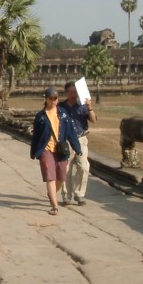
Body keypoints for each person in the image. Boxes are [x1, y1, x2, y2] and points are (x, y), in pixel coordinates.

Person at [30, 86, 82, 216]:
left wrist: (77, 148)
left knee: (61, 177)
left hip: (60, 150)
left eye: (56, 98)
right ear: (46, 99)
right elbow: (36, 136)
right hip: (46, 150)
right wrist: (33, 151)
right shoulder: (41, 116)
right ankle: (54, 205)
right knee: (50, 177)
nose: (53, 101)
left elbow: (71, 133)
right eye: (51, 98)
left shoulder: (63, 114)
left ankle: (51, 193)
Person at [59, 81, 97, 206]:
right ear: (66, 93)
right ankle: (66, 195)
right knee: (66, 168)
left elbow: (93, 120)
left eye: (75, 92)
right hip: (66, 140)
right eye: (70, 92)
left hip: (81, 139)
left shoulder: (82, 106)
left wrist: (89, 106)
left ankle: (79, 193)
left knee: (84, 167)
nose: (73, 94)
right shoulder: (60, 107)